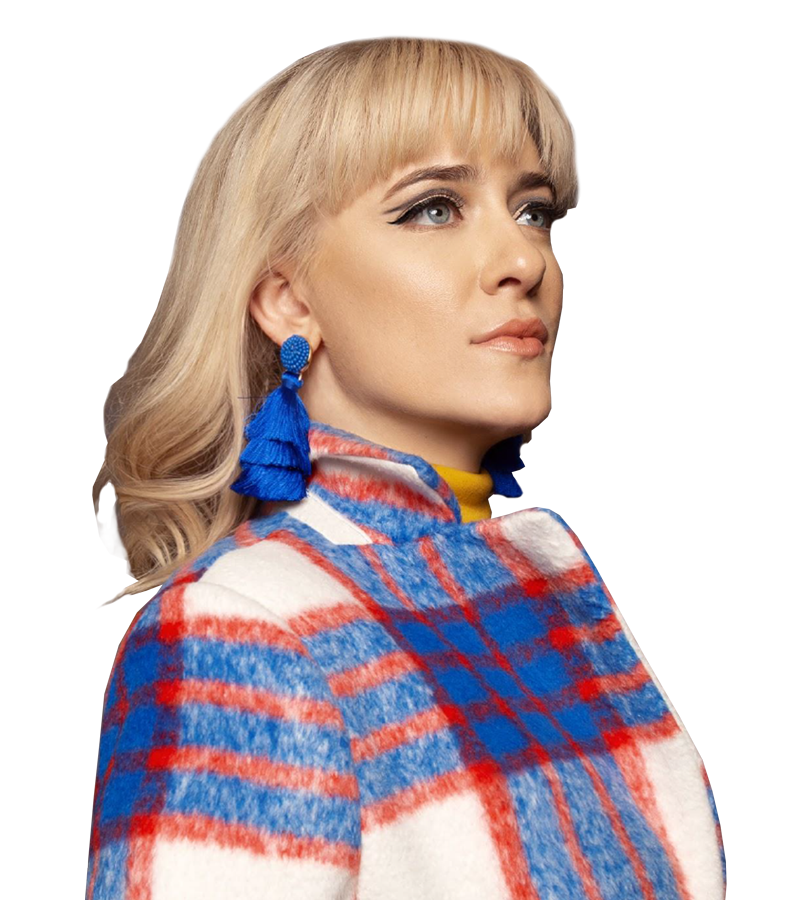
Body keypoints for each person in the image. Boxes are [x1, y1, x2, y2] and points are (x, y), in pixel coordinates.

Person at [88, 34, 726, 900]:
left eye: (534, 211)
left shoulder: (535, 603)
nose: (525, 261)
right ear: (289, 300)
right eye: (432, 209)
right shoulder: (243, 623)